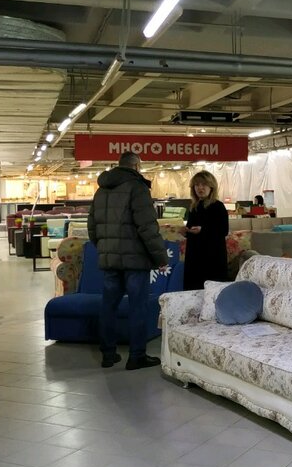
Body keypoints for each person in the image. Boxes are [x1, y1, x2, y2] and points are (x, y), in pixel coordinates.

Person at [87, 152, 168, 370]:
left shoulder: (101, 190)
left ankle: (108, 354)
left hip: (110, 260)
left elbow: (92, 227)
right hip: (135, 261)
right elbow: (147, 227)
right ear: (137, 166)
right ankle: (137, 356)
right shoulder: (137, 187)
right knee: (137, 307)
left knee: (108, 306)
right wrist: (160, 257)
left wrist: (104, 248)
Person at [183, 170, 229, 290]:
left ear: (211, 187)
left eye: (203, 184)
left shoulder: (218, 206)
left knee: (212, 290)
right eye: (197, 185)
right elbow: (191, 227)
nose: (200, 188)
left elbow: (223, 230)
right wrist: (185, 231)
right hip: (195, 255)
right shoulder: (194, 206)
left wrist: (202, 230)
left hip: (212, 256)